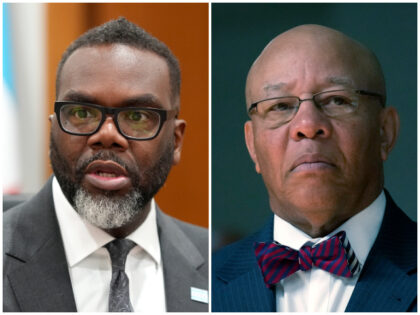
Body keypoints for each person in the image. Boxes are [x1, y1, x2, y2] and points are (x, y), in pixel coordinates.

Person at [4, 17, 208, 312]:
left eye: (137, 117)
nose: (107, 135)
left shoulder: (220, 265)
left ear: (176, 141)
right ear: (53, 130)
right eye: (81, 112)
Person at [212, 24, 416, 312]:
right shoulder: (198, 288)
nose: (307, 126)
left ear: (385, 131)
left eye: (337, 100)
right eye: (280, 106)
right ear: (252, 145)